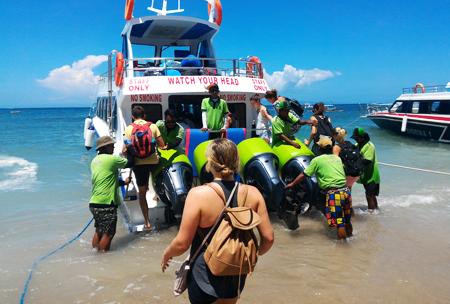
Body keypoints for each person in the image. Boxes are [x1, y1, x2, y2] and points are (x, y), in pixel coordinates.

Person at [161, 138, 274, 303]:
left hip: (204, 274)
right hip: (236, 274)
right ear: (236, 161)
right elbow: (268, 239)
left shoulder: (198, 194)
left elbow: (182, 243)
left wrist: (167, 253)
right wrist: (250, 256)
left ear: (209, 163)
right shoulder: (253, 193)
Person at [285, 136, 352, 239]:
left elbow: (304, 175)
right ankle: (350, 239)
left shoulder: (317, 160)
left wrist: (292, 184)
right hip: (346, 191)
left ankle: (342, 248)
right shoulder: (337, 158)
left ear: (319, 148)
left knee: (340, 223)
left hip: (334, 193)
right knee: (347, 220)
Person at [124, 105, 167, 230]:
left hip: (138, 164)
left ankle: (147, 222)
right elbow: (162, 145)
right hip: (153, 161)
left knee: (142, 193)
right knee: (158, 184)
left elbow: (124, 149)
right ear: (144, 116)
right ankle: (158, 197)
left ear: (133, 116)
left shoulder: (129, 128)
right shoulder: (152, 126)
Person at [89, 136, 132, 252]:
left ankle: (94, 253)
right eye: (111, 145)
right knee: (109, 233)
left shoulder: (95, 160)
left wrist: (123, 182)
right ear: (105, 147)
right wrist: (129, 150)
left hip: (94, 203)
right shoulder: (111, 159)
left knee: (99, 230)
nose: (113, 147)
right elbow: (130, 163)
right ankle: (102, 257)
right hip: (106, 203)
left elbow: (106, 179)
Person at [351, 128, 380, 211]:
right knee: (370, 193)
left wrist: (355, 165)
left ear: (362, 137)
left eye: (357, 138)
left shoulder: (369, 146)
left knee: (369, 194)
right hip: (364, 175)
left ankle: (371, 212)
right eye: (355, 138)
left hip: (372, 174)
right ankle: (376, 210)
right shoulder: (358, 144)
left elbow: (367, 160)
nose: (356, 139)